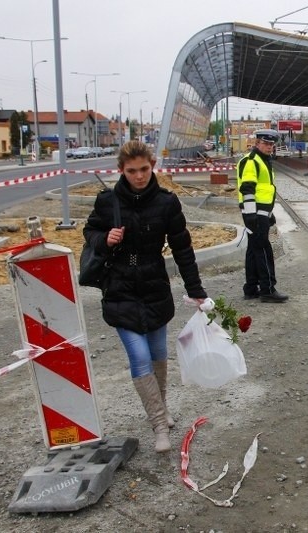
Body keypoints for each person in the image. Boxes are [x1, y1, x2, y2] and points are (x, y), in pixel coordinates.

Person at [83, 140, 208, 453]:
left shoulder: (167, 202)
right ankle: (158, 424)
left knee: (157, 356)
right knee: (138, 357)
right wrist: (104, 239)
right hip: (120, 288)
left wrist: (196, 291)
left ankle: (161, 411)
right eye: (131, 171)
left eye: (144, 169)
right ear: (121, 171)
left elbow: (183, 249)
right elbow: (90, 232)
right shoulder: (107, 201)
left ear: (152, 166)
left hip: (154, 286)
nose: (138, 176)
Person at [237, 129, 288, 303]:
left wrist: (269, 214)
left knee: (253, 250)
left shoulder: (262, 161)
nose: (269, 147)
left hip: (260, 213)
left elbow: (264, 192)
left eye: (271, 145)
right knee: (264, 250)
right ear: (257, 143)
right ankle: (267, 289)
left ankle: (251, 288)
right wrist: (251, 216)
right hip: (255, 214)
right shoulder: (251, 161)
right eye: (266, 144)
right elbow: (248, 189)